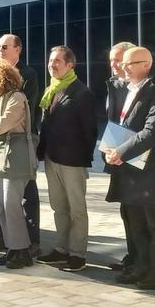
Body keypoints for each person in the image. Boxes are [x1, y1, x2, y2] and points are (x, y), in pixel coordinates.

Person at [103, 46, 155, 290]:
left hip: (151, 170)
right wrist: (110, 150)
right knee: (135, 222)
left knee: (154, 224)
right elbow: (120, 122)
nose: (123, 68)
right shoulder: (126, 87)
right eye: (123, 63)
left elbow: (152, 131)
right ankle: (140, 267)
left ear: (146, 64)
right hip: (129, 167)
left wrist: (120, 152)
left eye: (129, 64)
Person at [35, 46, 97, 272]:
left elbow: (90, 132)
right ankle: (61, 249)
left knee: (76, 209)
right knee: (58, 207)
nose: (52, 65)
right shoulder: (51, 89)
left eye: (57, 61)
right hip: (52, 158)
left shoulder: (82, 93)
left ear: (70, 65)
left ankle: (78, 254)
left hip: (72, 161)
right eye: (50, 60)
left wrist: (82, 157)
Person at [0, 60, 36, 268]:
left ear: (0, 78)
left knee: (12, 205)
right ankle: (12, 247)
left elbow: (3, 124)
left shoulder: (17, 97)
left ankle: (21, 250)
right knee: (2, 207)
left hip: (14, 156)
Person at [0, 34, 42, 247]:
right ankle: (8, 239)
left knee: (26, 193)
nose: (0, 51)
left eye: (5, 47)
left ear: (18, 49)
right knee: (3, 196)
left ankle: (30, 240)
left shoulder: (28, 74)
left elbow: (24, 110)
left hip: (21, 140)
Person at [104, 41, 137, 271]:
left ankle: (142, 260)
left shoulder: (145, 87)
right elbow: (114, 121)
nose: (114, 65)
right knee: (126, 211)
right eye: (111, 61)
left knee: (139, 213)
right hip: (117, 156)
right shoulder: (115, 85)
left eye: (118, 60)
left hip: (137, 158)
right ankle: (132, 256)